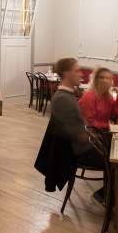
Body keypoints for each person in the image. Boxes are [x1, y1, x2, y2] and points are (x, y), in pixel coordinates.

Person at [34, 58, 106, 192]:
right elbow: (78, 137)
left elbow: (79, 129)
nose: (81, 74)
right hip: (79, 153)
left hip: (81, 148)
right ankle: (110, 195)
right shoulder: (63, 99)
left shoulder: (67, 95)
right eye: (77, 71)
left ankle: (108, 194)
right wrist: (96, 137)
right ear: (66, 74)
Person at [79, 67, 118, 131]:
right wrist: (109, 126)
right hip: (92, 133)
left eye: (108, 78)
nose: (105, 80)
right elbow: (89, 123)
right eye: (101, 77)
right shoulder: (89, 96)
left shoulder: (107, 96)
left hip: (103, 130)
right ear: (95, 80)